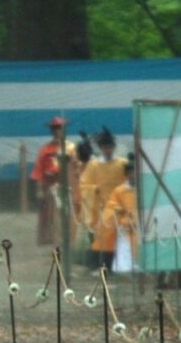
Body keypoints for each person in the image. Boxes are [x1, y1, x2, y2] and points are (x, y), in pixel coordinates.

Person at [79, 127, 128, 268]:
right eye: (105, 147)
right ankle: (98, 265)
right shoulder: (93, 165)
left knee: (118, 237)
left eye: (110, 147)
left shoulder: (122, 164)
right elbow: (84, 185)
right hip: (99, 207)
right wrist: (94, 190)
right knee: (99, 237)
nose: (108, 150)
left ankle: (117, 265)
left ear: (114, 147)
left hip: (118, 207)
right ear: (100, 148)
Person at [31, 117, 80, 247]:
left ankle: (69, 239)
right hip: (50, 186)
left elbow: (77, 167)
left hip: (68, 185)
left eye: (60, 129)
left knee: (69, 213)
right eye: (55, 129)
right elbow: (39, 170)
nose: (57, 132)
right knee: (52, 214)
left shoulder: (71, 148)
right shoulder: (45, 149)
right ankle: (55, 241)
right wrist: (39, 189)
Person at [100, 157, 138, 273]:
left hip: (139, 227)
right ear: (126, 175)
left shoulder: (143, 189)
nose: (133, 176)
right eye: (131, 173)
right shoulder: (119, 191)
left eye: (135, 173)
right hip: (125, 228)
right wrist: (118, 209)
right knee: (124, 255)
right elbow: (110, 206)